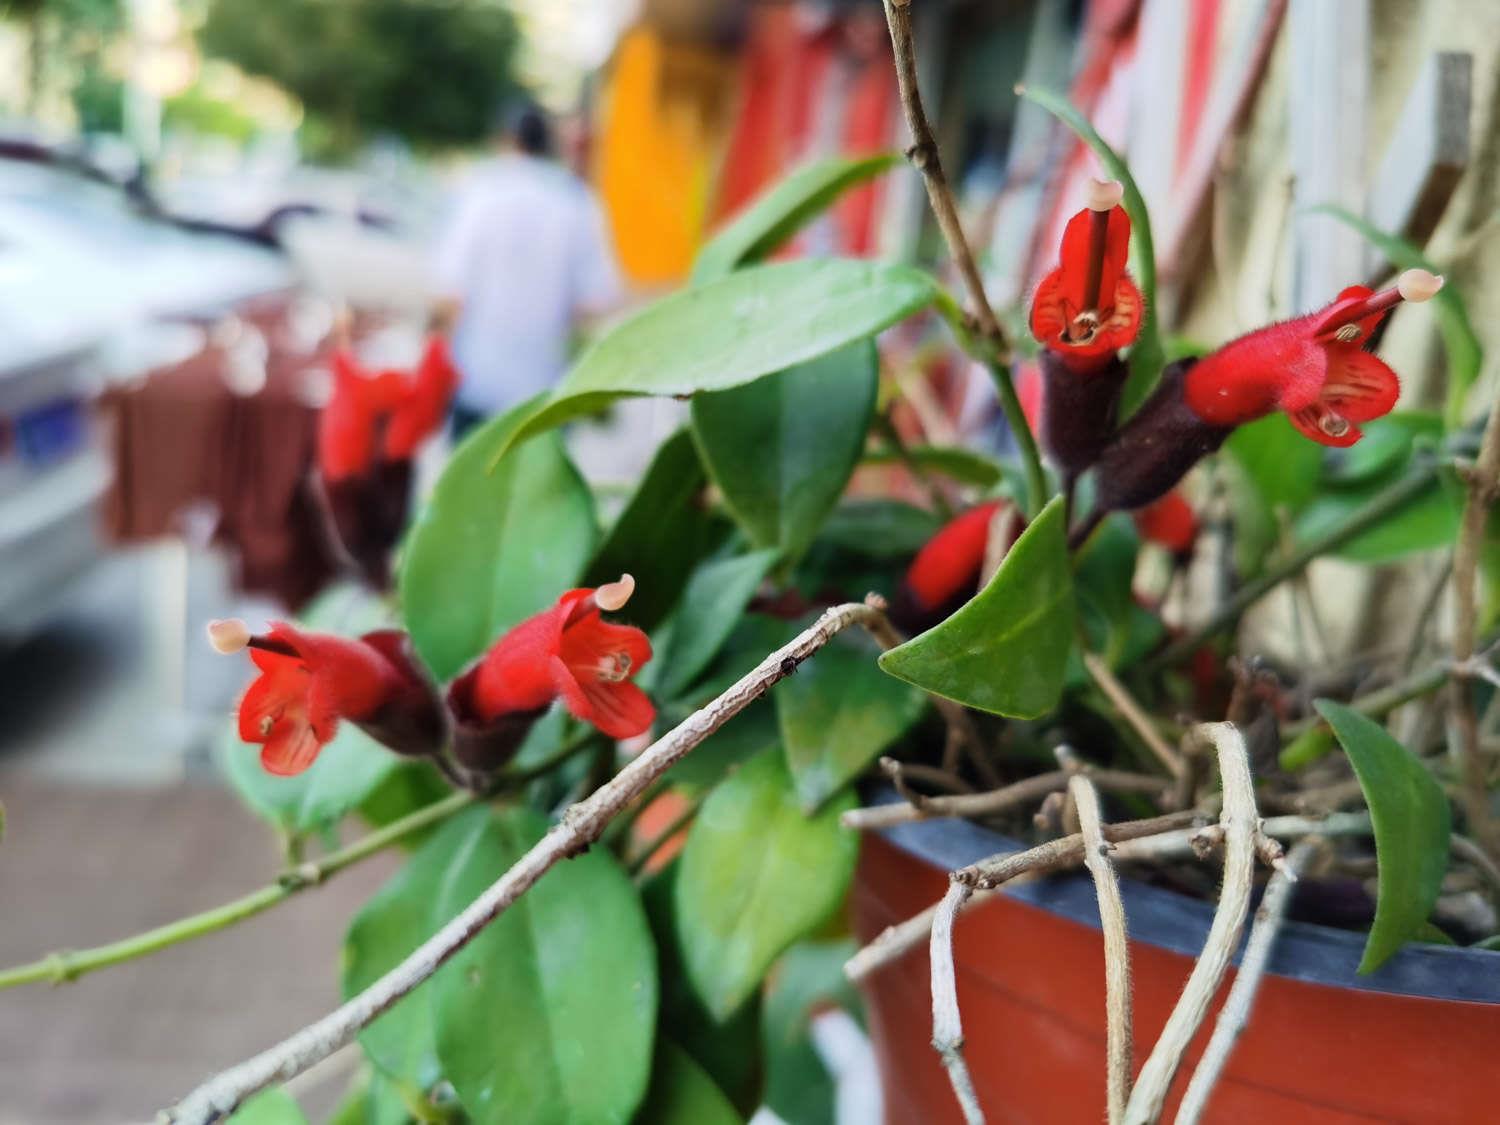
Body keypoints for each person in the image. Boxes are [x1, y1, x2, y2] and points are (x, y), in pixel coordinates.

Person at [431, 100, 623, 436]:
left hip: (477, 379)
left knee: (470, 484)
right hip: (544, 394)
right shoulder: (576, 202)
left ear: (505, 139)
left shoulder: (480, 191)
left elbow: (449, 293)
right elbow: (597, 301)